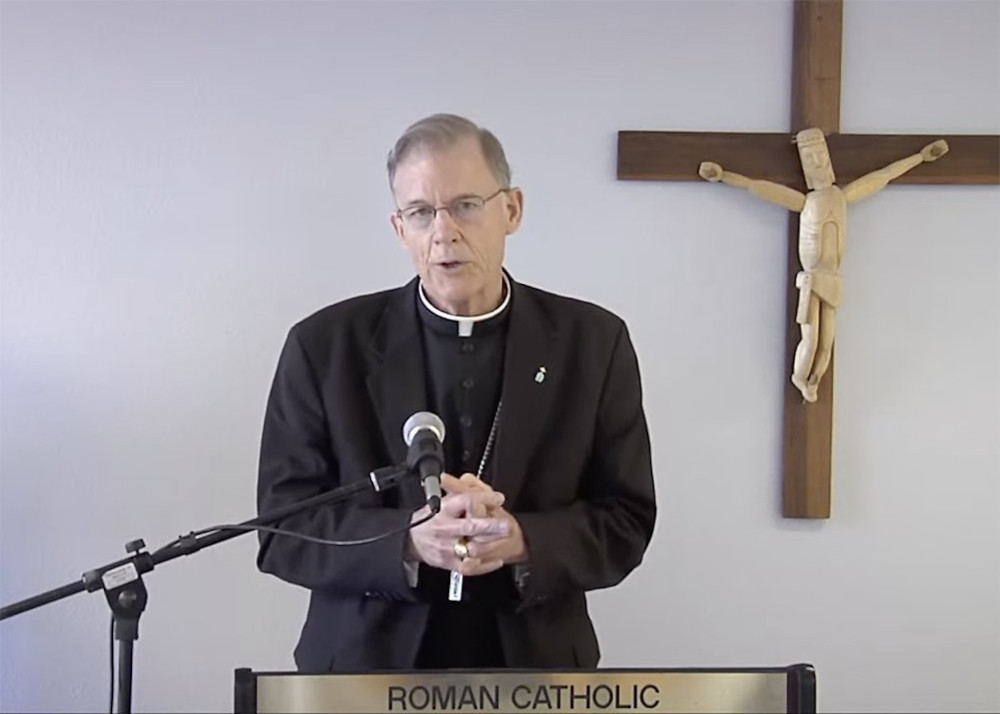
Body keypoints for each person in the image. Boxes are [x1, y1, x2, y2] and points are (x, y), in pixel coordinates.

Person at [256, 113, 657, 672]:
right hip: (363, 670)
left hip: (533, 667)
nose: (444, 232)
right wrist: (407, 541)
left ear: (511, 210)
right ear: (400, 229)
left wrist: (522, 540)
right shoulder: (325, 347)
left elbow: (627, 522)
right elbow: (282, 530)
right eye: (421, 213)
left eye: (466, 205)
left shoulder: (592, 343)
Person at [699, 129, 948, 402]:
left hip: (833, 277)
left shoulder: (843, 196)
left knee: (828, 340)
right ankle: (799, 378)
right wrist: (722, 176)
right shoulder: (805, 201)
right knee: (812, 337)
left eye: (821, 158)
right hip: (812, 278)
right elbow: (756, 187)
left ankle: (813, 382)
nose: (818, 163)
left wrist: (920, 157)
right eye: (811, 160)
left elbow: (884, 175)